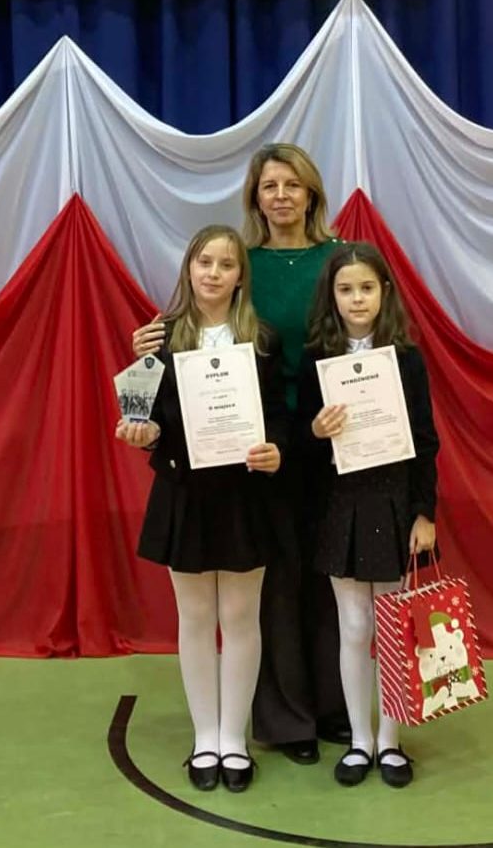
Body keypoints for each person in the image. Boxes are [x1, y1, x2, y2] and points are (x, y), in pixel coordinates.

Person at [132, 143, 348, 764]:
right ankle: (276, 722)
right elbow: (149, 406)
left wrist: (289, 438)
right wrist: (143, 404)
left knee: (325, 585)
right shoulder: (229, 274)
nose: (281, 196)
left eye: (292, 184)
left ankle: (328, 710)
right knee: (264, 597)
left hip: (313, 438)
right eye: (269, 185)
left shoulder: (334, 261)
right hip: (231, 467)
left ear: (311, 192)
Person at [116, 225, 288, 794]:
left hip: (246, 496)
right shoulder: (157, 339)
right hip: (184, 494)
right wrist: (143, 433)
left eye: (226, 264)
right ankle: (205, 737)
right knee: (194, 619)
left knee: (240, 618)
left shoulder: (262, 340)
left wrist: (277, 450)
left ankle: (234, 739)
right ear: (189, 269)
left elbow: (280, 415)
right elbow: (146, 418)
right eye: (204, 262)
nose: (213, 272)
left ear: (241, 277)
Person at [299, 242, 439, 789]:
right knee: (353, 627)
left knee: (394, 628)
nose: (357, 299)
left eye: (366, 288)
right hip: (340, 504)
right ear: (331, 297)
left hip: (394, 502)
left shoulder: (407, 359)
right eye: (345, 289)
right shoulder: (316, 359)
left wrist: (424, 512)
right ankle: (360, 739)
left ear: (384, 293)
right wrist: (315, 431)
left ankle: (391, 741)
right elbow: (301, 442)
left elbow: (425, 441)